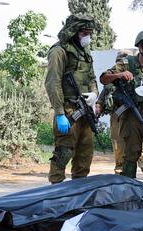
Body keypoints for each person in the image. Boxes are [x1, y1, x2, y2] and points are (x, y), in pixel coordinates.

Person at [100, 30, 143, 187]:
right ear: (140, 46)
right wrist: (120, 74)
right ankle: (128, 187)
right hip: (132, 114)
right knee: (131, 152)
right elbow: (104, 78)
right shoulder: (126, 63)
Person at [44, 14, 99, 184]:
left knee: (84, 156)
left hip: (85, 112)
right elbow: (52, 83)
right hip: (68, 112)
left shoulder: (84, 53)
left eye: (90, 33)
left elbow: (91, 77)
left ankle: (78, 193)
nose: (88, 36)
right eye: (84, 33)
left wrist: (94, 94)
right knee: (63, 153)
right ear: (74, 31)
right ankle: (55, 190)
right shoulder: (59, 51)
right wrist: (60, 113)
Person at [96, 52, 143, 179]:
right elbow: (102, 96)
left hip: (132, 115)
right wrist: (98, 107)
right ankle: (120, 169)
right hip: (116, 116)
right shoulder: (112, 81)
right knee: (118, 144)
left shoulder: (135, 78)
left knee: (137, 144)